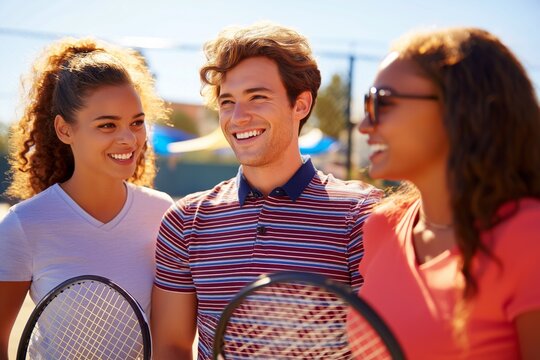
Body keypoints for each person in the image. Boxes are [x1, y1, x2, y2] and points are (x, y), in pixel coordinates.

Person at [151, 21, 383, 359]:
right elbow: (171, 347)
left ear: (300, 105)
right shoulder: (185, 221)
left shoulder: (361, 214)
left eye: (257, 97)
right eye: (227, 102)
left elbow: (376, 348)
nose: (238, 117)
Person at [351, 27, 540, 359]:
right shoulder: (383, 226)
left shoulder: (529, 236)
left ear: (462, 108)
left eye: (382, 101)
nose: (364, 124)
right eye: (367, 103)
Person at [0, 37, 174, 359]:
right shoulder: (25, 225)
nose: (128, 138)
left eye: (136, 123)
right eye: (107, 125)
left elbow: (171, 340)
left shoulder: (163, 213)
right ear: (65, 130)